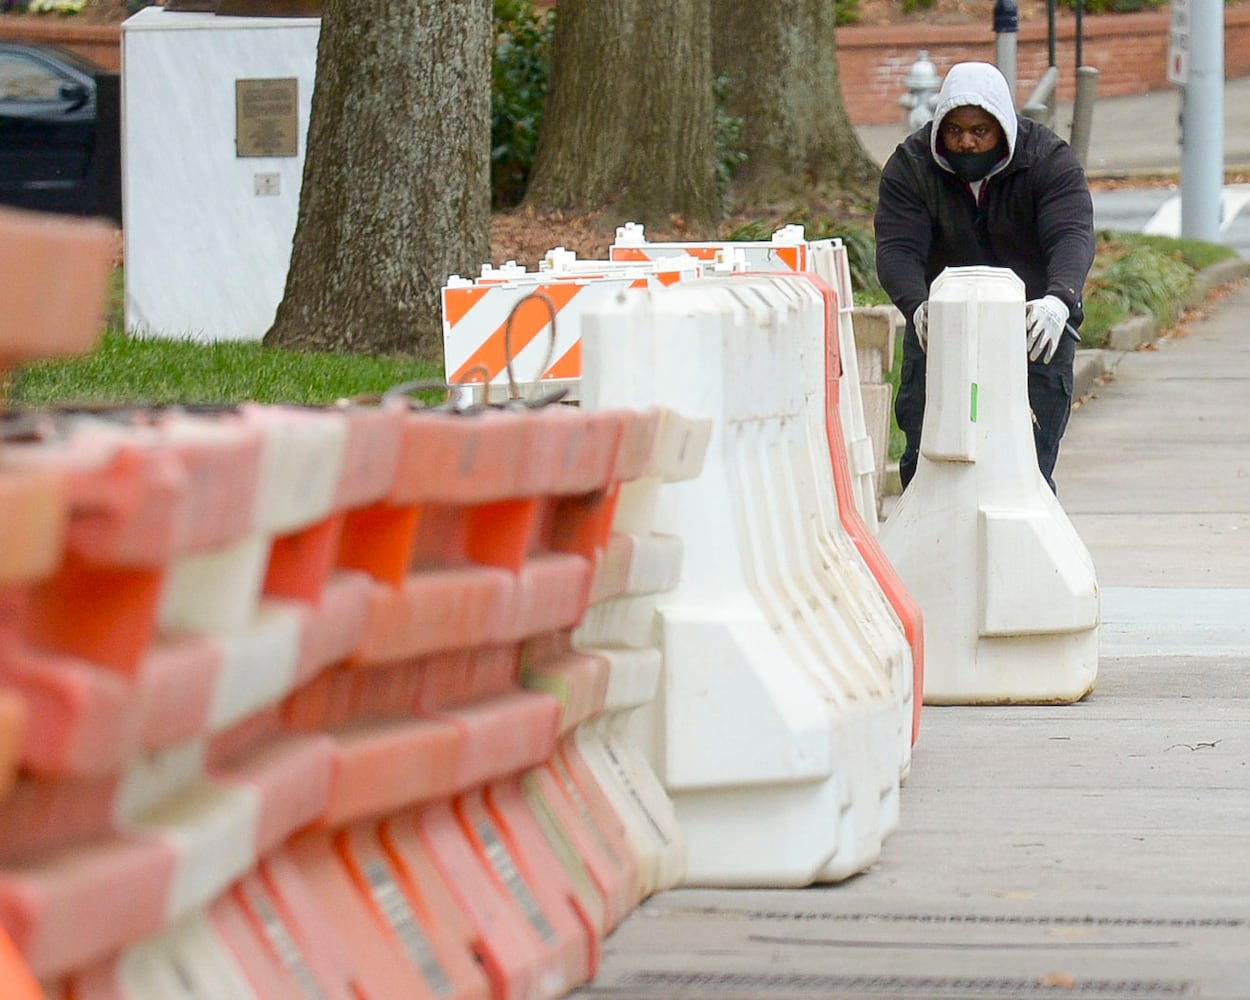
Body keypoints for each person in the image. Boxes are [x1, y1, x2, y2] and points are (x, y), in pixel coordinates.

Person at [874, 61, 1096, 492]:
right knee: (928, 457)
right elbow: (898, 247)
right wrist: (915, 305)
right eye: (955, 130)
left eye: (980, 132)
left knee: (1028, 463)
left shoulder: (1047, 161)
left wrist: (1059, 299)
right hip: (941, 320)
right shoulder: (913, 166)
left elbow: (1070, 234)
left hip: (1033, 319)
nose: (966, 142)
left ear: (1003, 127)